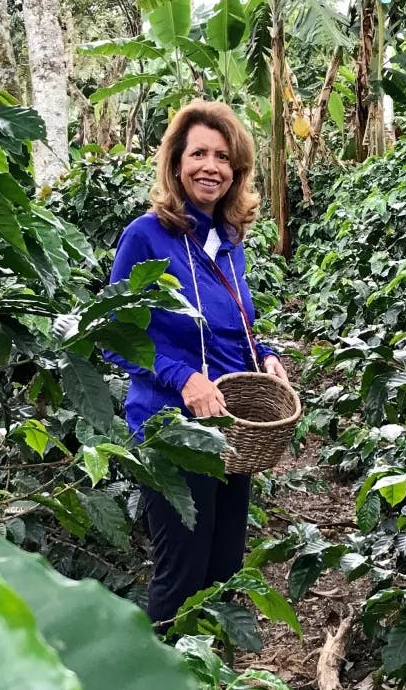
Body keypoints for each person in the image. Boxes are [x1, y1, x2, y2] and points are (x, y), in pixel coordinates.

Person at [102, 99, 291, 630]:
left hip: (231, 427)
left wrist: (268, 355)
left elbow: (237, 323)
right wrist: (181, 378)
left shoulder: (230, 240)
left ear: (237, 171)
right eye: (199, 153)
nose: (211, 166)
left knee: (224, 567)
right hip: (173, 427)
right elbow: (112, 333)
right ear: (176, 162)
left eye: (223, 157)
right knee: (181, 574)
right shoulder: (146, 235)